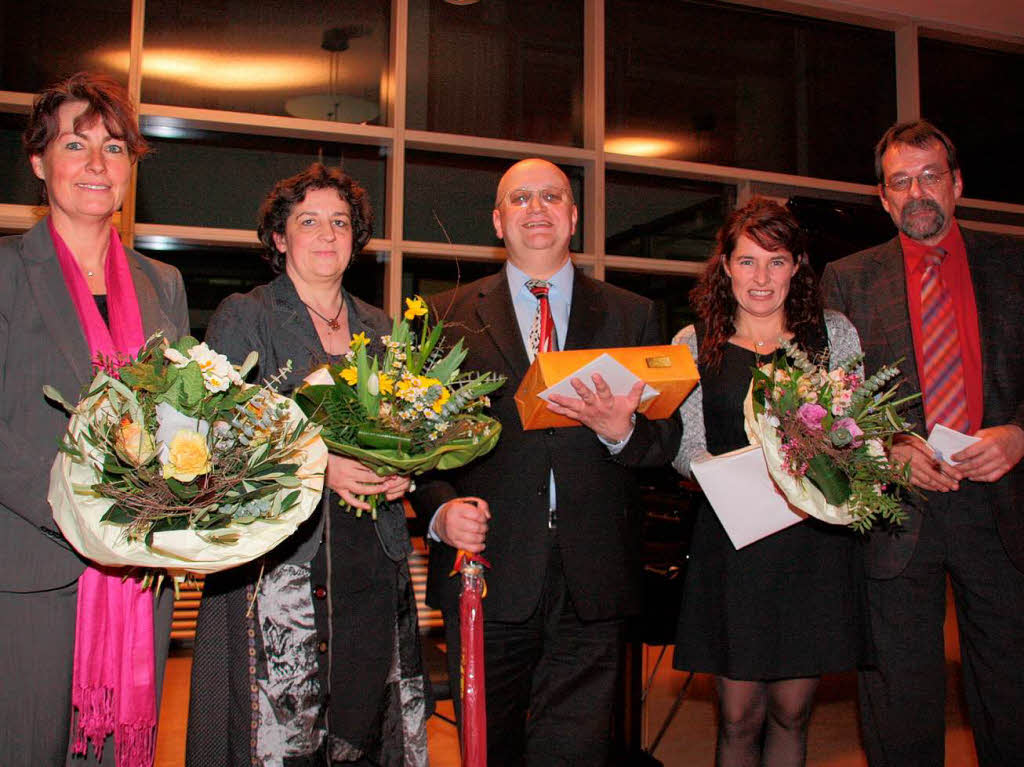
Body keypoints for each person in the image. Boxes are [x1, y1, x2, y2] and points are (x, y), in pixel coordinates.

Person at [409, 157, 682, 766]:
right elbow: (417, 445)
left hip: (596, 575)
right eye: (521, 198)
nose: (537, 209)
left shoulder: (630, 314)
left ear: (575, 216)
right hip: (488, 566)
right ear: (498, 221)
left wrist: (623, 432)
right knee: (489, 747)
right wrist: (439, 509)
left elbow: (664, 446)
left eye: (552, 197)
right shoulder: (443, 316)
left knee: (575, 752)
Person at [185, 163, 430, 766]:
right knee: (281, 736)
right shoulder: (248, 314)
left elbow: (408, 428)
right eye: (309, 221)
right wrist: (320, 468)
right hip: (282, 567)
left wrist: (405, 470)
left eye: (340, 222)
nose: (327, 234)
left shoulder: (381, 325)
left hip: (372, 555)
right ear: (280, 238)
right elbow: (216, 436)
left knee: (364, 722)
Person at [0, 72, 190, 765]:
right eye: (75, 144)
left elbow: (181, 416)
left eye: (114, 148)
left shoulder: (161, 283)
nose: (95, 164)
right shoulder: (6, 273)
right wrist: (80, 511)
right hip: (30, 571)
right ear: (39, 161)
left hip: (137, 575)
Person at [821, 120, 1024, 767]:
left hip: (1003, 505)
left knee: (1012, 688)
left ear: (957, 183)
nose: (916, 193)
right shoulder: (848, 278)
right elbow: (831, 402)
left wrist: (1021, 434)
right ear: (883, 197)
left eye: (929, 176)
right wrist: (888, 446)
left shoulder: (1016, 262)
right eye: (900, 182)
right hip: (898, 511)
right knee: (899, 697)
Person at [671, 197, 871, 766]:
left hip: (811, 547)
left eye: (777, 261)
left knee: (791, 714)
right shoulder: (694, 342)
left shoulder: (833, 336)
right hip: (733, 546)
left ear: (797, 267)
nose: (761, 277)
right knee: (737, 718)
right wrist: (740, 478)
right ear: (726, 266)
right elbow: (685, 448)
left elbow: (856, 432)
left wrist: (814, 473)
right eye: (748, 261)